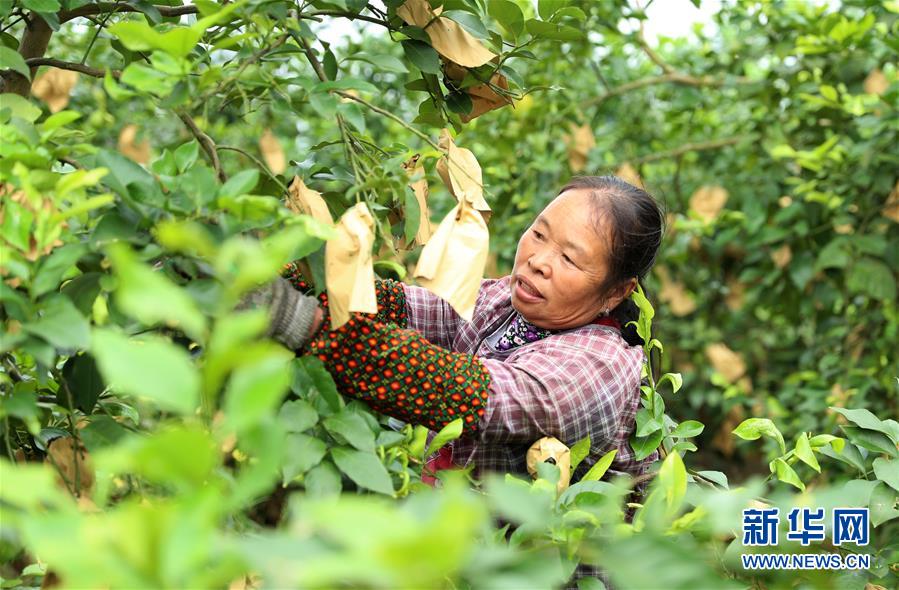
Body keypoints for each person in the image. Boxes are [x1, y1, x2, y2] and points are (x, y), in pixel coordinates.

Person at [247, 175, 665, 483]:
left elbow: (473, 394)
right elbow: (417, 310)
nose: (539, 259)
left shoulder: (601, 365)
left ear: (616, 291)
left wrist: (301, 320)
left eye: (570, 259)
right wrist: (301, 275)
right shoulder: (508, 301)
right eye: (538, 234)